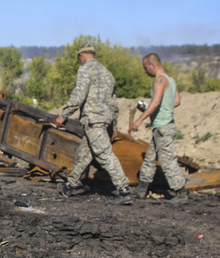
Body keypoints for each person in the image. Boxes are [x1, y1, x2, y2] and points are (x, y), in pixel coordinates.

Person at [53, 44, 132, 205]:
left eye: (79, 58)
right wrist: (113, 126)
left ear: (82, 56)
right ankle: (69, 186)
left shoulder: (85, 70)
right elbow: (113, 104)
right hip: (103, 120)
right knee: (85, 154)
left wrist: (63, 115)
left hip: (93, 120)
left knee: (104, 155)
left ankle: (124, 190)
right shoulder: (107, 74)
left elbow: (78, 95)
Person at [130, 53, 188, 205]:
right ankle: (142, 189)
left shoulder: (159, 80)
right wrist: (161, 109)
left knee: (168, 161)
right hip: (165, 126)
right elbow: (176, 101)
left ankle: (181, 194)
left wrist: (139, 120)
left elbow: (155, 102)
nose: (145, 71)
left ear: (152, 65)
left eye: (145, 67)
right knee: (150, 159)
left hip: (162, 127)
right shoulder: (170, 80)